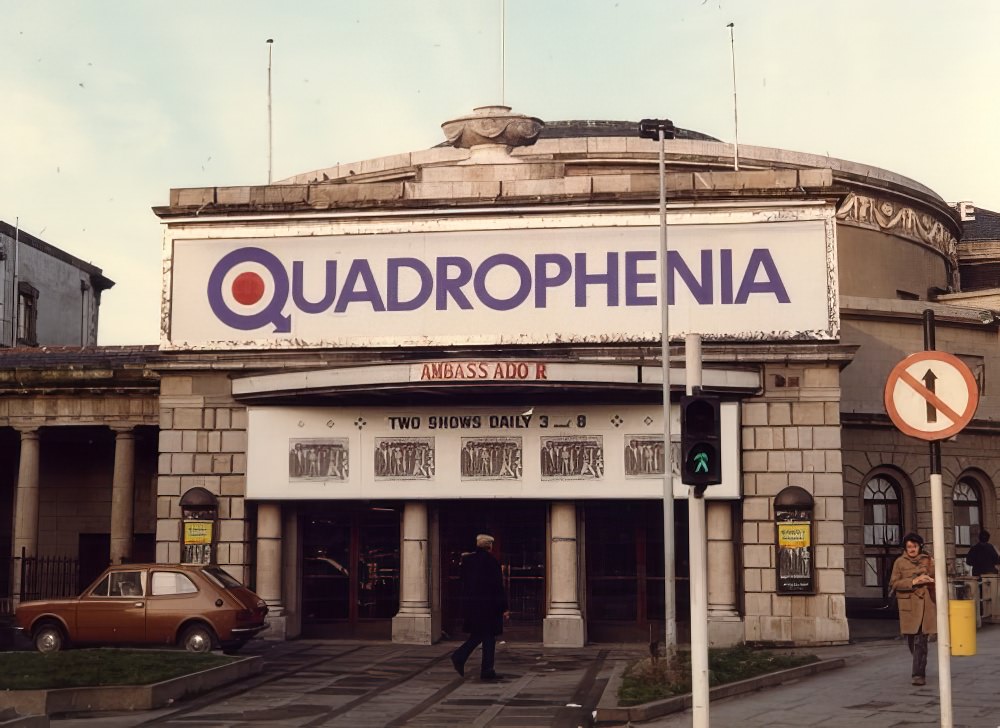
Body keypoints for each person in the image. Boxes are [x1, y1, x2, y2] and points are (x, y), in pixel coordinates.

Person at [450, 534, 509, 681]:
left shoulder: (468, 561)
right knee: (488, 636)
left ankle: (470, 662)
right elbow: (497, 587)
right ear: (489, 546)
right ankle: (481, 668)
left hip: (473, 605)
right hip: (489, 606)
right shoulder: (492, 562)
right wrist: (504, 607)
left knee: (480, 635)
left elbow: (462, 583)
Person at [889, 532, 936, 686]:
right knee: (912, 641)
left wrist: (930, 579)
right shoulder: (899, 562)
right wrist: (914, 581)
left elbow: (939, 577)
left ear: (919, 547)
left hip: (926, 605)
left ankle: (918, 674)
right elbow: (894, 584)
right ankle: (919, 663)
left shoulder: (929, 560)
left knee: (921, 640)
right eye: (909, 547)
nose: (912, 549)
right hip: (908, 606)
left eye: (914, 546)